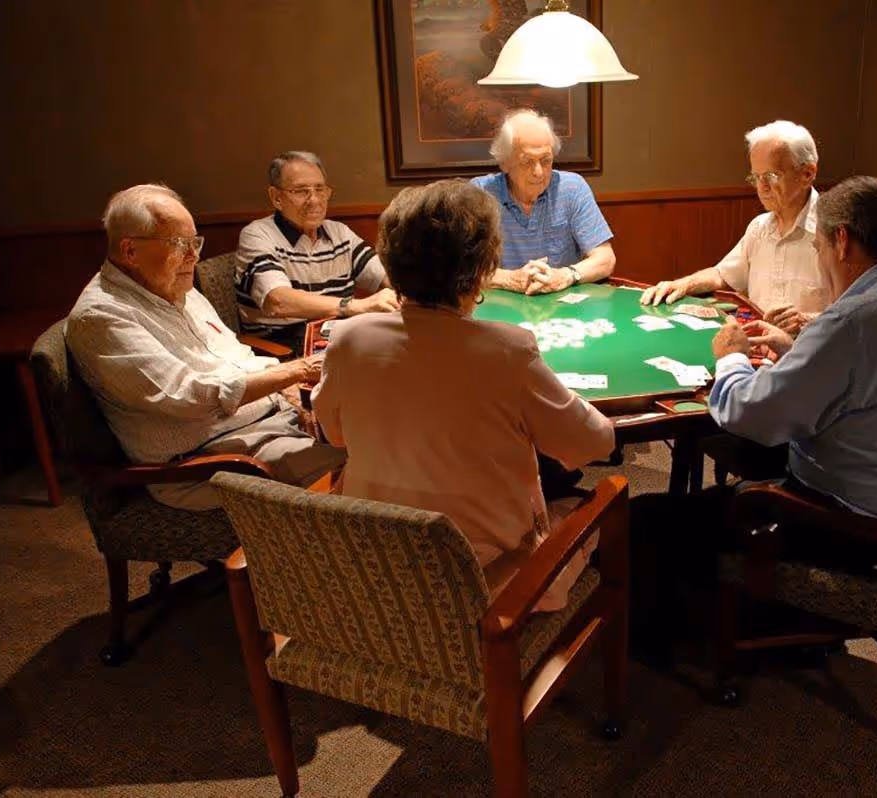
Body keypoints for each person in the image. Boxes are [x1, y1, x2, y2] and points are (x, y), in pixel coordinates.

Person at [630, 176, 877, 654]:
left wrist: (732, 357)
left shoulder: (851, 321)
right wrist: (799, 350)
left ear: (842, 242)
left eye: (818, 246)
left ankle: (662, 642)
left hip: (863, 531)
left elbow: (749, 414)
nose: (821, 261)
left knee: (646, 518)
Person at [312, 180, 615, 611]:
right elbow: (594, 443)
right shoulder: (509, 349)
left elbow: (336, 435)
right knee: (597, 499)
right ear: (480, 270)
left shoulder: (347, 338)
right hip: (487, 584)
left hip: (377, 565)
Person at [67, 184, 345, 510]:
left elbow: (235, 357)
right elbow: (188, 395)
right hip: (207, 463)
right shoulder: (102, 316)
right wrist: (296, 369)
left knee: (374, 432)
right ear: (130, 251)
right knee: (363, 461)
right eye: (179, 244)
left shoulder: (174, 286)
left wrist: (288, 393)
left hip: (263, 425)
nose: (193, 257)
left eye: (194, 243)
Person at [641, 120, 831, 335]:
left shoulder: (835, 232)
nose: (762, 187)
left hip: (812, 354)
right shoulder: (758, 227)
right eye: (756, 177)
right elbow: (723, 275)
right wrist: (683, 285)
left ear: (807, 174)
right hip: (762, 349)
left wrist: (807, 320)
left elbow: (860, 310)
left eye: (771, 176)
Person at [235, 151, 399, 353]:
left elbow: (386, 275)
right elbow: (278, 301)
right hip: (284, 350)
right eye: (301, 191)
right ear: (276, 197)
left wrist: (407, 291)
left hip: (340, 337)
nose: (314, 200)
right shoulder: (257, 235)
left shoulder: (339, 233)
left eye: (320, 189)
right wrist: (356, 306)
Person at [471, 109, 616, 296]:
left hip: (563, 308)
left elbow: (605, 259)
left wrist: (566, 275)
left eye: (546, 160)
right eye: (527, 162)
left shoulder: (572, 188)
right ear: (504, 162)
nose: (538, 172)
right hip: (501, 308)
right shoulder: (481, 194)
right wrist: (509, 279)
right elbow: (459, 269)